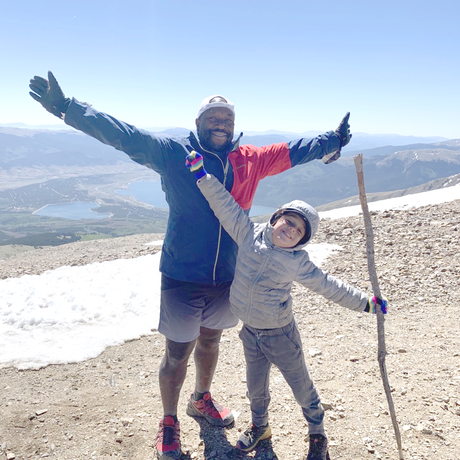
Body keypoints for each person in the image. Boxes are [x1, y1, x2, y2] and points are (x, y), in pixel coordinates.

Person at [29, 71, 352, 459]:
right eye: (213, 119)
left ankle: (201, 399)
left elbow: (296, 150)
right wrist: (68, 109)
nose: (221, 125)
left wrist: (332, 141)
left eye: (227, 120)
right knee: (177, 353)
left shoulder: (250, 160)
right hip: (182, 274)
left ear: (235, 127)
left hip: (226, 277)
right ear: (198, 124)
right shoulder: (174, 153)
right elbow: (125, 135)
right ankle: (169, 421)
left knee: (212, 341)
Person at [185, 150, 388, 460]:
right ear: (276, 217)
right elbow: (225, 207)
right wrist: (202, 176)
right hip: (250, 331)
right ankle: (260, 428)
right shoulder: (248, 233)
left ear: (302, 241)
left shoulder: (298, 263)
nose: (290, 229)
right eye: (288, 221)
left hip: (280, 333)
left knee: (300, 385)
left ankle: (317, 433)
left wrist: (367, 304)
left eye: (298, 231)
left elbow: (329, 285)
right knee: (256, 386)